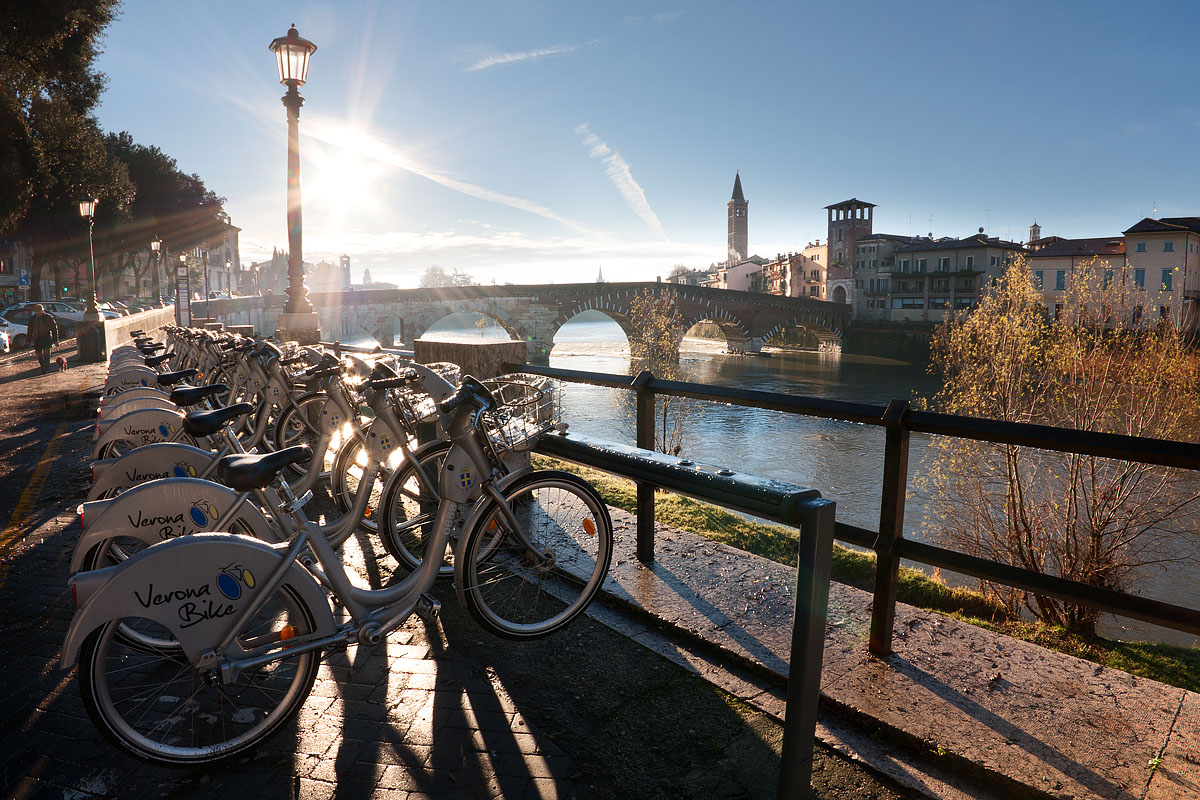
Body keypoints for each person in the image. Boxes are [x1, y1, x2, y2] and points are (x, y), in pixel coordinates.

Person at [29, 304, 59, 374]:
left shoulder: (48, 318)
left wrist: (56, 340)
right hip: (37, 339)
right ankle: (44, 366)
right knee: (39, 355)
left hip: (46, 338)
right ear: (35, 312)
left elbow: (54, 329)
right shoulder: (32, 319)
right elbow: (30, 330)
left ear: (43, 311)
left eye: (39, 311)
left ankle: (45, 368)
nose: (38, 313)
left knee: (46, 355)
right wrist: (29, 340)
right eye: (37, 312)